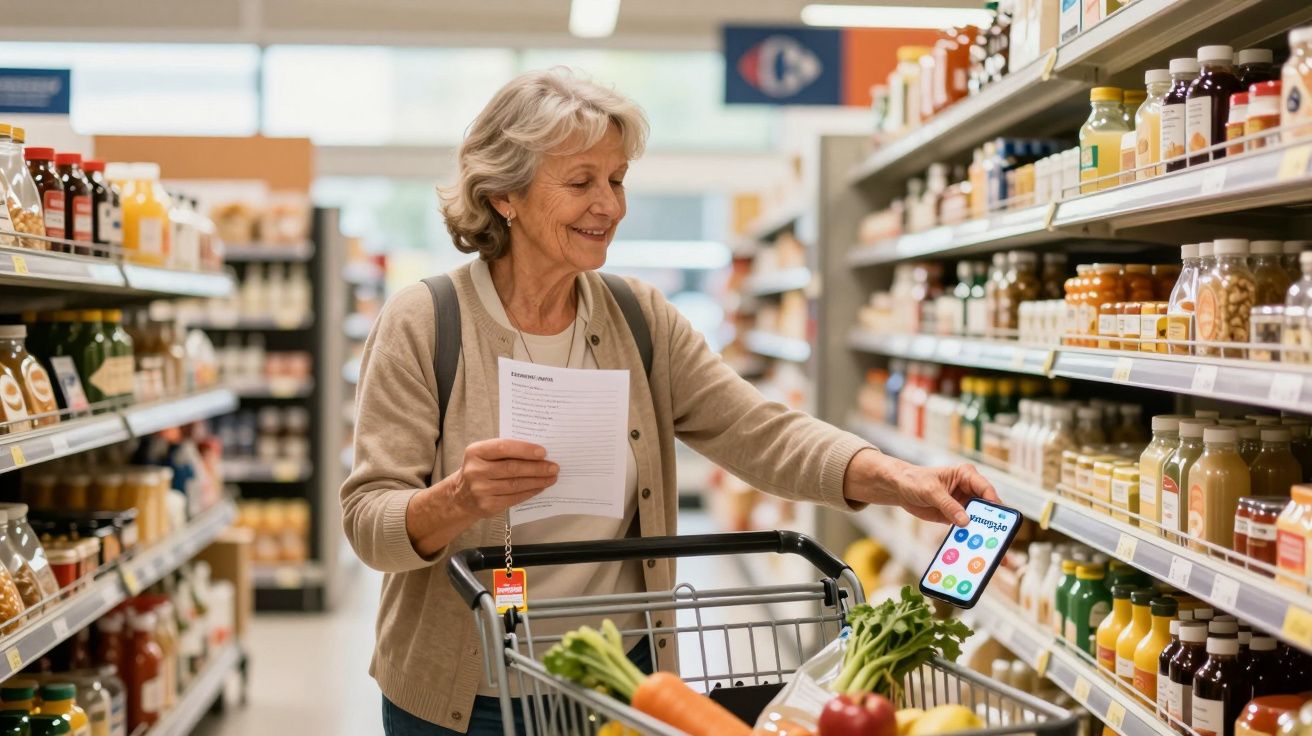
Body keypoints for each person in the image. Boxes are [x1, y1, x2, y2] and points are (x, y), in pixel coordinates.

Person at [341, 68, 998, 736]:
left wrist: (898, 476)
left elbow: (757, 430)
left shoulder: (639, 319)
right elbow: (369, 519)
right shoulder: (424, 322)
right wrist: (457, 500)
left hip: (615, 685)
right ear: (505, 193)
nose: (611, 206)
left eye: (617, 179)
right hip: (464, 695)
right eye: (581, 182)